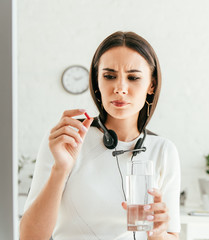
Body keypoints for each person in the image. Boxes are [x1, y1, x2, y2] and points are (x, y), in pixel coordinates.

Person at [20, 31, 180, 240]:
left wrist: (158, 234)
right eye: (109, 76)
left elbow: (171, 236)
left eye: (133, 77)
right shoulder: (67, 139)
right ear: (97, 81)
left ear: (151, 85)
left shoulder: (163, 150)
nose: (120, 88)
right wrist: (61, 168)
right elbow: (30, 237)